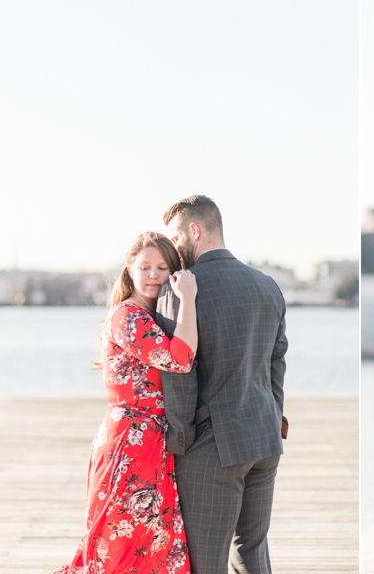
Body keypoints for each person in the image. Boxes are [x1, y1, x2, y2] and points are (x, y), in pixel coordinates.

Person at [153, 195, 287, 574]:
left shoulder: (179, 290)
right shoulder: (268, 286)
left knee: (206, 563)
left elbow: (178, 372)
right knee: (253, 553)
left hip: (212, 448)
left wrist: (179, 444)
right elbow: (277, 365)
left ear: (194, 230)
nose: (174, 250)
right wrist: (273, 419)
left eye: (176, 238)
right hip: (265, 440)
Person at [54, 232, 198, 574]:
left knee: (153, 546)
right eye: (144, 266)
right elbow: (181, 358)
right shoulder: (128, 317)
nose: (153, 275)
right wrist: (189, 298)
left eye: (162, 267)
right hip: (129, 445)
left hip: (149, 442)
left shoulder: (150, 317)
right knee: (118, 547)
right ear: (129, 271)